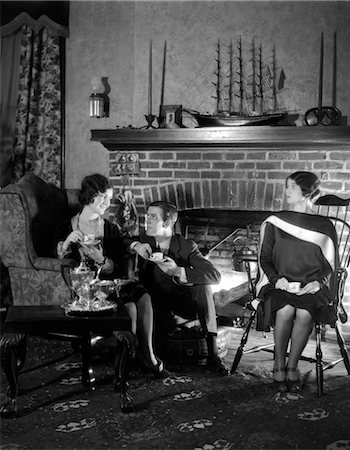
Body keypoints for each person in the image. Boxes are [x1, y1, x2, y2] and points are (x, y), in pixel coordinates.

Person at [55, 173, 170, 378]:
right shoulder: (66, 226)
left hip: (108, 282)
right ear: (90, 196)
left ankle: (147, 355)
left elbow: (116, 265)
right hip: (83, 288)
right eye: (103, 198)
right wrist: (67, 242)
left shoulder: (109, 228)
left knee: (141, 295)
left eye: (109, 198)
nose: (108, 204)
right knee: (130, 307)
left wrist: (101, 259)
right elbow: (57, 258)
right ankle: (131, 359)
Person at [252, 171, 338, 393]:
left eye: (291, 187)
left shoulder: (324, 226)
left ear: (306, 191)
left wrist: (319, 283)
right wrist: (275, 279)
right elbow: (265, 258)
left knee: (305, 312)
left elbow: (331, 266)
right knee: (286, 308)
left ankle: (292, 366)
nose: (286, 191)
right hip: (279, 285)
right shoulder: (275, 222)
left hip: (311, 286)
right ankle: (278, 364)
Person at [131, 201, 230, 376]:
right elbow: (121, 241)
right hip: (153, 305)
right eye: (148, 216)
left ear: (167, 223)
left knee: (204, 287)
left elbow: (215, 275)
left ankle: (213, 355)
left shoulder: (186, 246)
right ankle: (148, 357)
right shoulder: (143, 241)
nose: (148, 221)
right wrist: (135, 246)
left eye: (153, 217)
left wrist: (177, 270)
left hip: (181, 303)